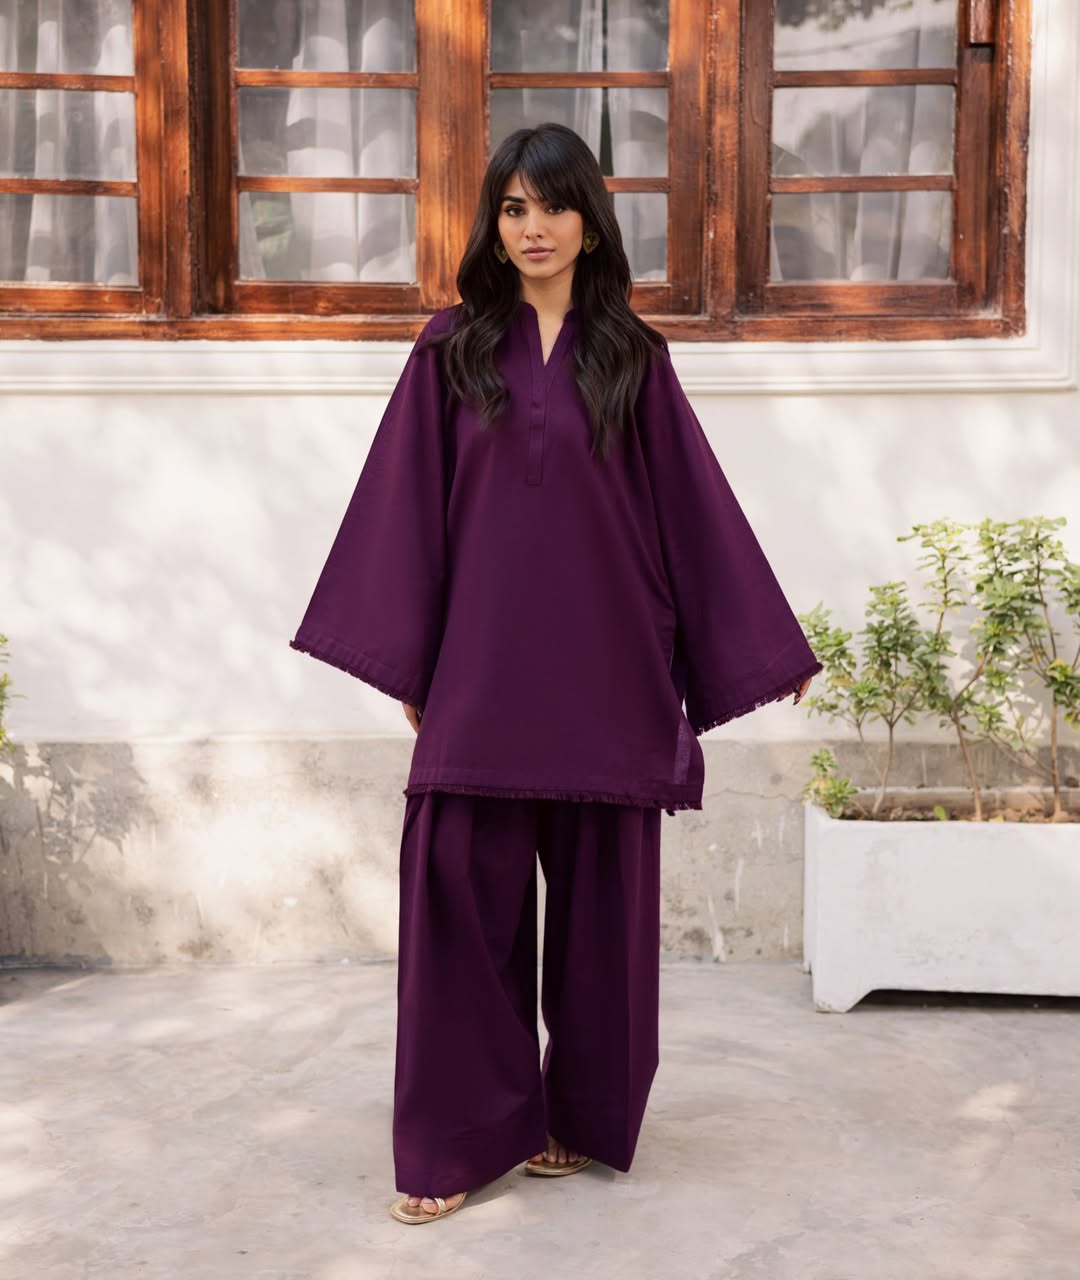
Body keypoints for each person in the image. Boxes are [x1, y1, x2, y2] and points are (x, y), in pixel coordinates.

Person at [289, 122, 821, 1225]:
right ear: (494, 224)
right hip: (481, 674)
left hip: (609, 672)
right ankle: (454, 1138)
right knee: (456, 903)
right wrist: (413, 658)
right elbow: (405, 509)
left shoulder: (634, 357)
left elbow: (694, 515)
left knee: (602, 922)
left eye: (554, 206)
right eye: (514, 208)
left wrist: (760, 647)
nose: (534, 228)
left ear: (591, 219)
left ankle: (578, 1111)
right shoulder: (450, 352)